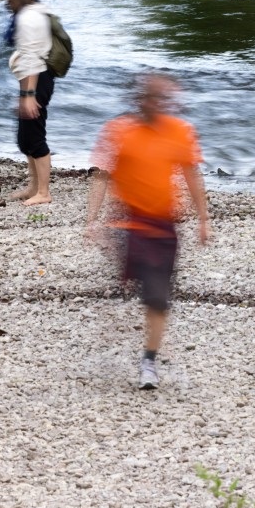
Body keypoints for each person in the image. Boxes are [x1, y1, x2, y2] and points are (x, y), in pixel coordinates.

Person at [85, 73, 211, 390]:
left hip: (162, 226)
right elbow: (102, 176)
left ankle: (148, 361)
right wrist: (92, 219)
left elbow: (192, 174)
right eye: (154, 98)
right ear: (140, 100)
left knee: (157, 299)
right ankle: (123, 318)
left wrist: (203, 218)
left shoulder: (180, 132)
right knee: (139, 287)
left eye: (164, 100)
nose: (161, 105)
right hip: (128, 223)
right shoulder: (119, 131)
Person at [0, 0, 54, 206]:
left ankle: (44, 192)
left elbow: (32, 58)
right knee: (26, 137)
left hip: (36, 81)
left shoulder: (28, 18)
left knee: (35, 137)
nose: (5, 4)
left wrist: (28, 96)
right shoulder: (36, 10)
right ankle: (33, 188)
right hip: (34, 80)